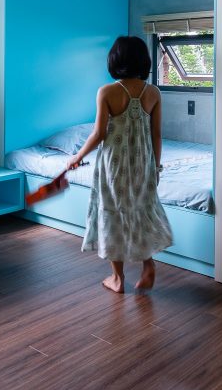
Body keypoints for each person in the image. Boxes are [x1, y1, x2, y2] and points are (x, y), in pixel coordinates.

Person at [67, 36, 173, 293]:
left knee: (113, 213)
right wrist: (156, 168)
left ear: (115, 60)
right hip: (143, 163)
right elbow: (157, 135)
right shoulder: (153, 93)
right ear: (144, 60)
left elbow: (98, 134)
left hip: (114, 166)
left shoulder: (107, 92)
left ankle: (117, 278)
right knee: (140, 209)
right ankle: (148, 265)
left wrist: (77, 156)